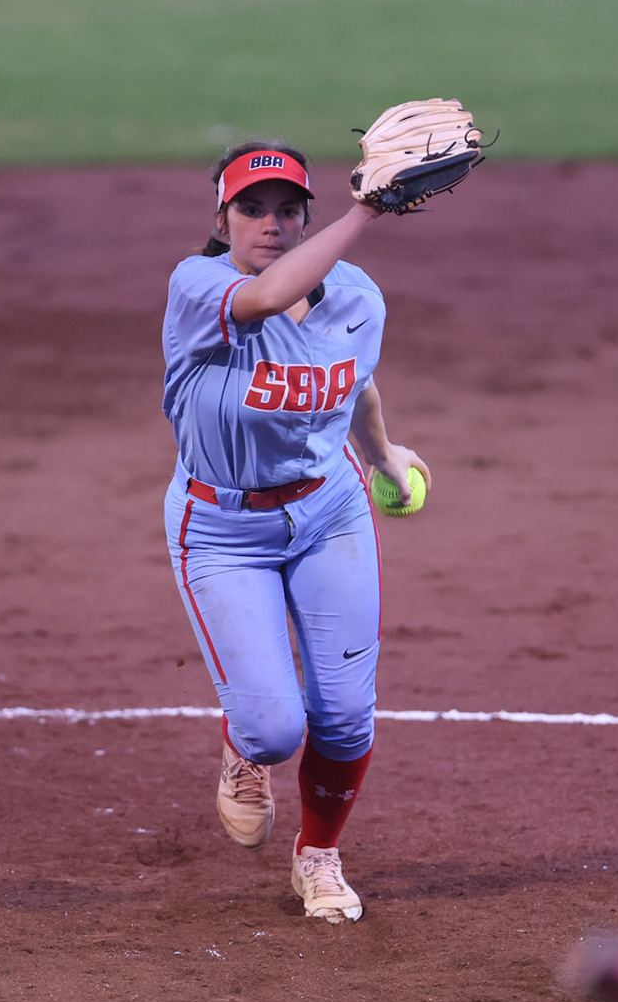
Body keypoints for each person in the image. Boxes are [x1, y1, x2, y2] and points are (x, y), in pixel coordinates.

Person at [161, 142, 431, 924]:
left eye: (287, 210)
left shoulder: (357, 298)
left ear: (305, 215)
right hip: (219, 527)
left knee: (345, 714)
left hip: (328, 511)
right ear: (222, 218)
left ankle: (318, 856)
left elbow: (355, 377)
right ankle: (244, 742)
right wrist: (367, 212)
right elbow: (271, 295)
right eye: (251, 209)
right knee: (277, 728)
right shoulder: (198, 285)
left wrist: (384, 456)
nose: (270, 225)